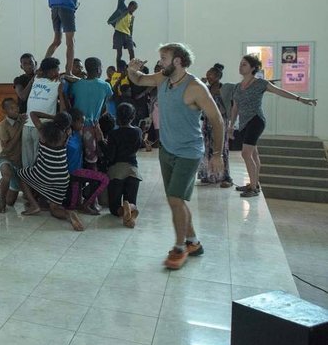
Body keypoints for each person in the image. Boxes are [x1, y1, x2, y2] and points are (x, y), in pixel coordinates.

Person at [126, 44, 225, 270]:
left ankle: (179, 248)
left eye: (164, 58)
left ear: (178, 61)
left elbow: (217, 120)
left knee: (174, 200)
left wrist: (217, 154)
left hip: (188, 152)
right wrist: (131, 70)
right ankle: (193, 242)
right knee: (176, 200)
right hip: (167, 150)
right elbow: (140, 80)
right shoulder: (163, 79)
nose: (160, 62)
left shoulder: (196, 88)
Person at [229, 54, 317, 197]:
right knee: (254, 154)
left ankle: (253, 189)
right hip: (244, 122)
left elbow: (280, 92)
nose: (240, 66)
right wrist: (231, 125)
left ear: (253, 68)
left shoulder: (261, 83)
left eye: (244, 64)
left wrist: (300, 99)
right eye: (240, 63)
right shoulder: (238, 87)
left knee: (246, 153)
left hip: (256, 120)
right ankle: (254, 183)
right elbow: (235, 108)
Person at [16, 112, 84, 231]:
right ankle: (69, 214)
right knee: (54, 208)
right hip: (62, 177)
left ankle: (34, 205)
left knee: (21, 174)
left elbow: (33, 114)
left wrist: (53, 117)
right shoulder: (67, 134)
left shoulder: (43, 131)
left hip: (44, 173)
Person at [19, 57, 67, 172]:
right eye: (56, 70)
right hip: (29, 125)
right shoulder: (38, 78)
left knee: (36, 159)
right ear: (50, 71)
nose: (58, 72)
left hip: (42, 126)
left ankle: (35, 185)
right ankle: (29, 183)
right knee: (28, 160)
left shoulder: (53, 81)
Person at [69, 57, 113, 169]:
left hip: (74, 127)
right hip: (92, 127)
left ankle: (77, 184)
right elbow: (104, 107)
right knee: (92, 159)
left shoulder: (75, 85)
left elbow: (71, 100)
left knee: (75, 157)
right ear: (98, 69)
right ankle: (93, 184)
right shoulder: (105, 86)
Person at [105, 103, 143, 227]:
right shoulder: (138, 132)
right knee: (132, 201)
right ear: (133, 117)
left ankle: (123, 211)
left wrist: (101, 142)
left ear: (117, 116)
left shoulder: (113, 134)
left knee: (113, 208)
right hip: (133, 171)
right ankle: (130, 208)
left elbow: (110, 156)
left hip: (116, 172)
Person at [66, 109, 110, 214]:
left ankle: (84, 204)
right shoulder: (66, 136)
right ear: (73, 122)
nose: (83, 124)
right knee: (104, 179)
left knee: (73, 206)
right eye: (81, 122)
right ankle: (85, 205)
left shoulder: (78, 134)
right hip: (72, 172)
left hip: (77, 173)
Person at [197, 63, 234, 187]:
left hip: (220, 122)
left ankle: (224, 176)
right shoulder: (205, 88)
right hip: (207, 122)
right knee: (207, 149)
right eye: (207, 75)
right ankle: (209, 175)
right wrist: (200, 86)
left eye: (211, 75)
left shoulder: (225, 88)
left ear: (218, 77)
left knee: (221, 148)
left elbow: (232, 101)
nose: (208, 77)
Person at [0, 97, 25, 213]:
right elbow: (7, 148)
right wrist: (21, 128)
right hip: (6, 158)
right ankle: (1, 202)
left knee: (11, 201)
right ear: (5, 111)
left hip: (19, 162)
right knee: (7, 175)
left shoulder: (22, 119)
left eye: (16, 107)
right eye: (11, 108)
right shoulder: (2, 125)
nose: (16, 110)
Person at [107, 0, 138, 65]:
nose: (133, 10)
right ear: (129, 6)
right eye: (133, 8)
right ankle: (119, 68)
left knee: (131, 51)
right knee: (119, 53)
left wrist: (132, 39)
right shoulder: (122, 8)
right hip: (119, 33)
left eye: (135, 9)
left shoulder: (132, 17)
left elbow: (130, 29)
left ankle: (132, 67)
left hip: (127, 35)